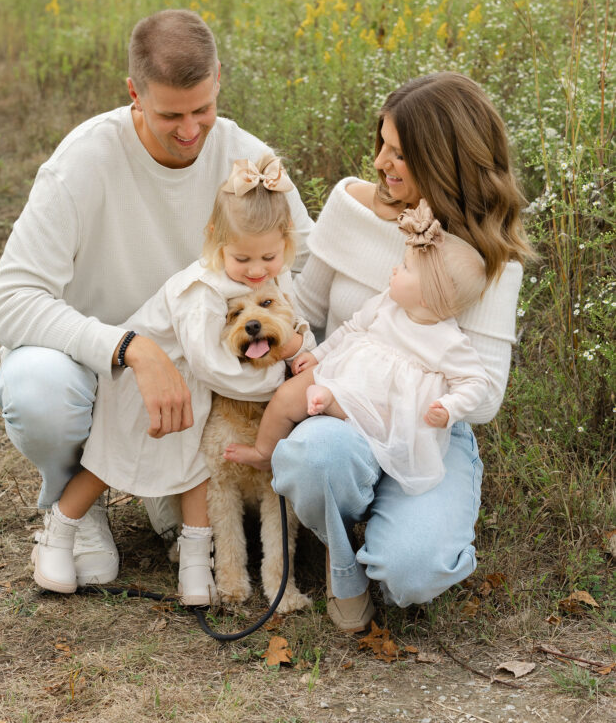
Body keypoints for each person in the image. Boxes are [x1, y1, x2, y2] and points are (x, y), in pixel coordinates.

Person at [0, 11, 313, 587]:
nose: (190, 130)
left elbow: (302, 270)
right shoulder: (83, 162)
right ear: (134, 93)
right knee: (39, 389)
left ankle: (176, 507)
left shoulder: (249, 164)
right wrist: (129, 346)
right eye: (170, 115)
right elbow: (7, 303)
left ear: (218, 81)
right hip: (95, 365)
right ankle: (74, 506)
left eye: (202, 109)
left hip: (202, 379)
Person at [268, 72, 531, 633]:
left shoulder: (489, 256)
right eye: (382, 144)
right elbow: (307, 310)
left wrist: (409, 384)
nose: (383, 162)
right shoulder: (350, 205)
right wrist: (315, 371)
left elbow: (483, 399)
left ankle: (389, 529)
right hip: (337, 407)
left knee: (412, 574)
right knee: (316, 457)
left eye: (401, 154)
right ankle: (343, 563)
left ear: (445, 162)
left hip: (427, 430)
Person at [31, 155, 315, 604]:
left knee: (195, 470)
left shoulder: (268, 277)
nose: (258, 268)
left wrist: (303, 350)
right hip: (144, 381)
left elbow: (295, 323)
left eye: (269, 256)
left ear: (286, 246)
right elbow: (214, 368)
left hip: (194, 389)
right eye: (242, 258)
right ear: (215, 243)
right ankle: (59, 531)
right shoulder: (201, 291)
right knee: (107, 462)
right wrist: (283, 379)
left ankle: (197, 563)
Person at [225, 200, 490, 500]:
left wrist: (451, 407)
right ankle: (264, 450)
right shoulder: (385, 304)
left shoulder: (448, 342)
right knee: (286, 396)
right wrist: (317, 355)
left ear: (428, 296)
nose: (395, 268)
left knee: (371, 420)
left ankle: (331, 404)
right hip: (343, 373)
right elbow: (351, 329)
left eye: (404, 267)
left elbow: (475, 382)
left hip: (383, 411)